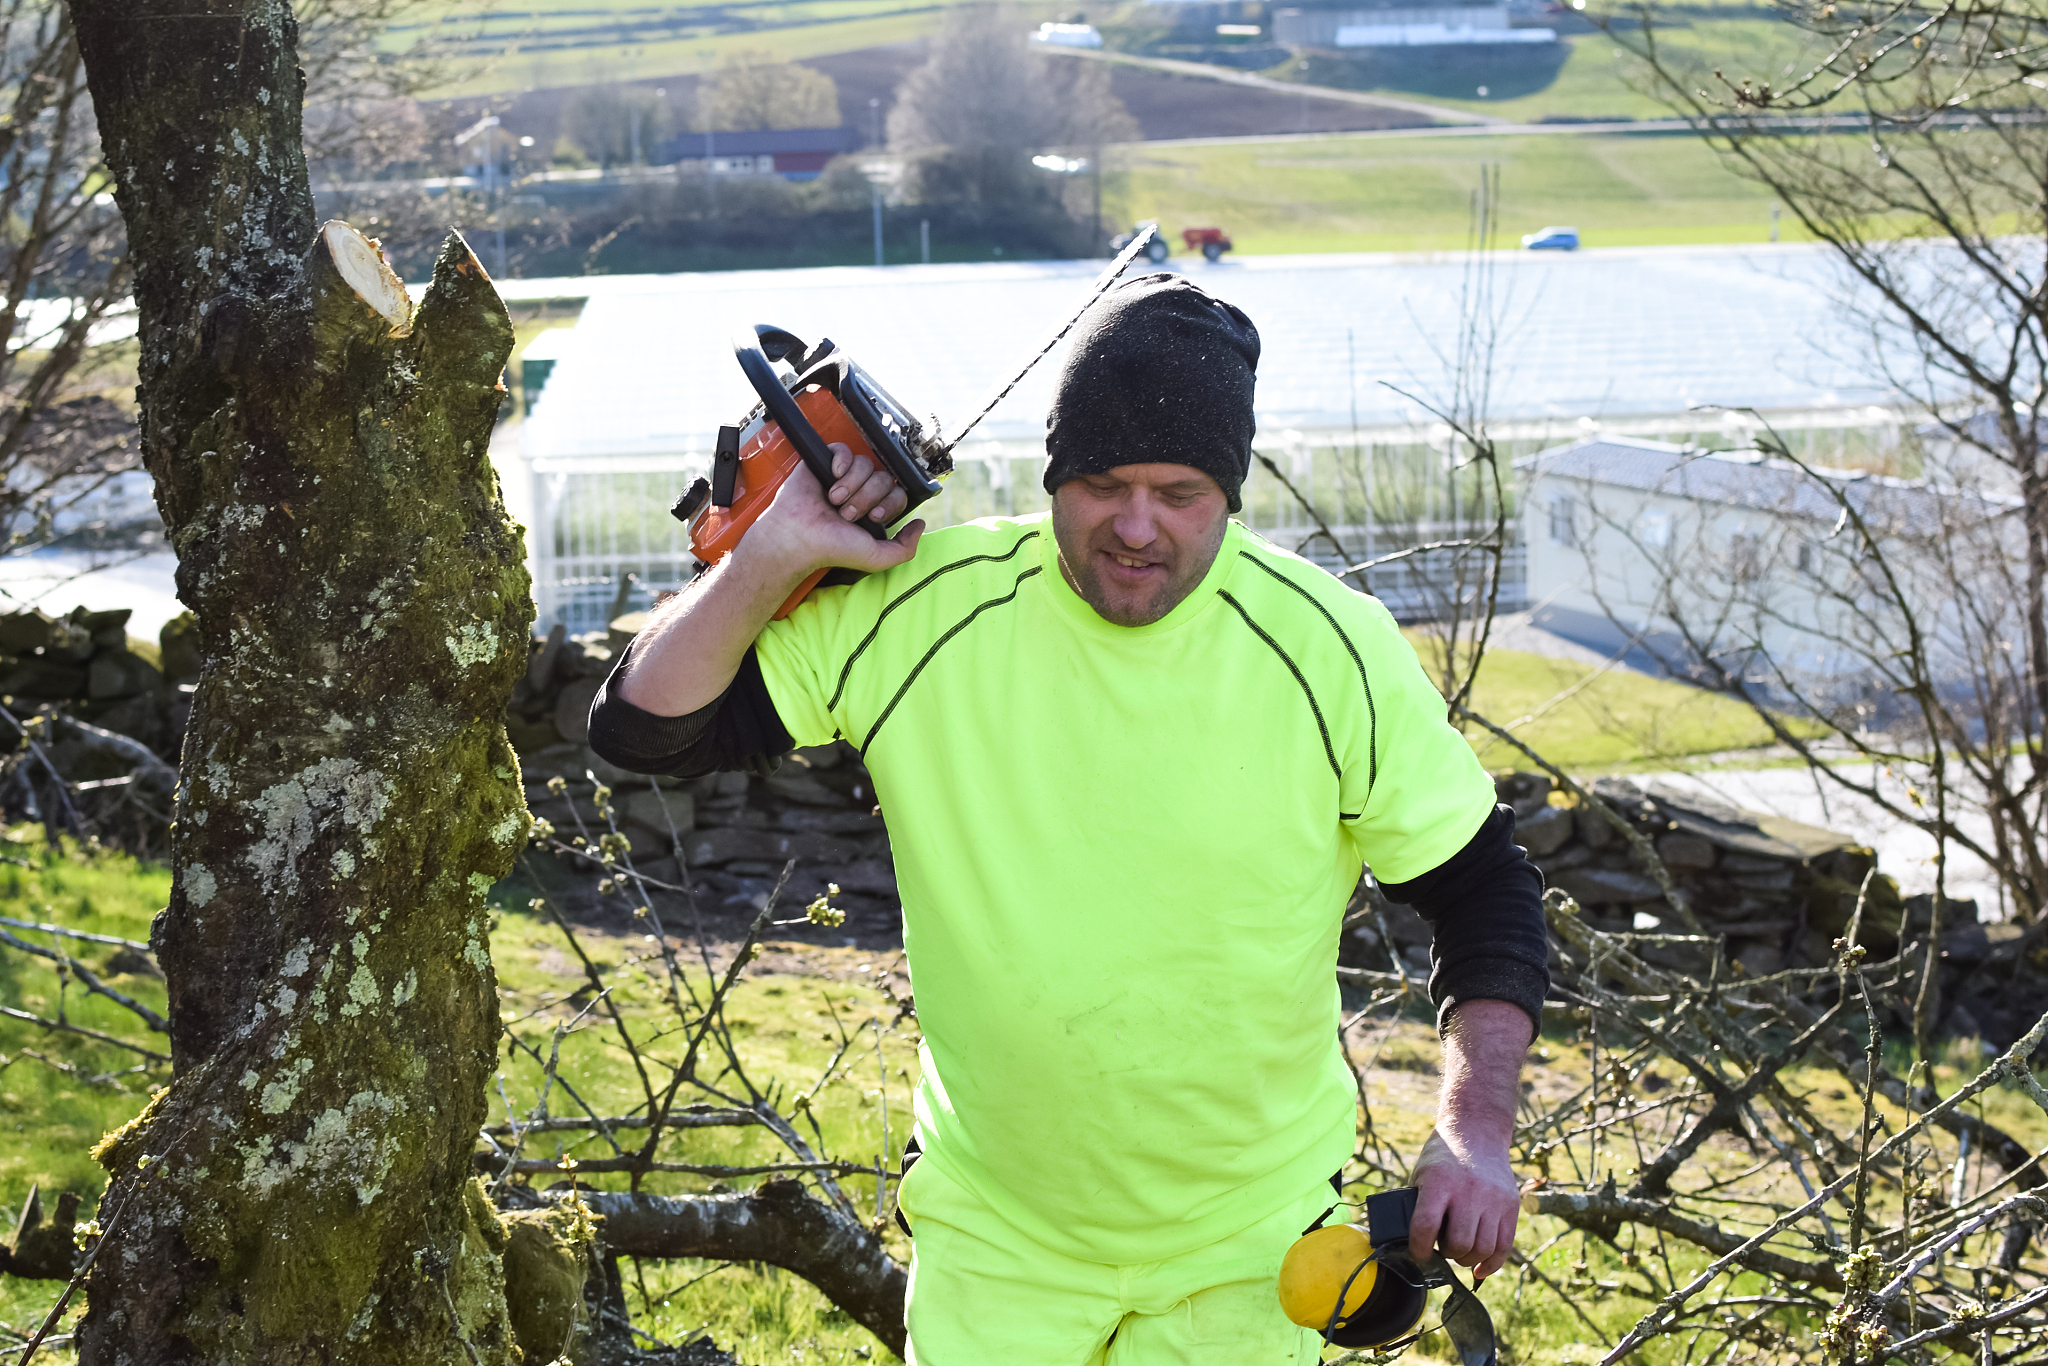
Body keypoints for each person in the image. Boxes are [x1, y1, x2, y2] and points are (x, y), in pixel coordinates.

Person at [588, 274, 1549, 1364]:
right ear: (1053, 473)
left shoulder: (1330, 648)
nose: (1135, 526)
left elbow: (1482, 890)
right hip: (997, 1234)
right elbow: (645, 732)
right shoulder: (922, 608)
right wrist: (770, 554)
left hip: (1248, 1236)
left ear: (1229, 493)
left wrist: (1471, 1131)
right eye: (1101, 482)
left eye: (1179, 492)